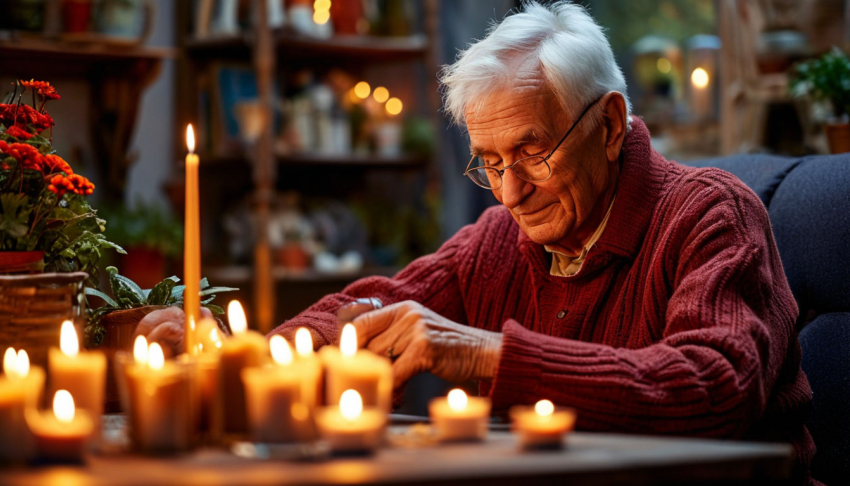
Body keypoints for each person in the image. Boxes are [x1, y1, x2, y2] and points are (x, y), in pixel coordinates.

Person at [141, 2, 817, 483]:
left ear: (610, 125)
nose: (512, 192)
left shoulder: (711, 216)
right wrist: (244, 359)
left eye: (532, 153)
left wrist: (489, 357)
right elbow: (377, 303)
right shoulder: (503, 237)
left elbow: (713, 387)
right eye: (490, 163)